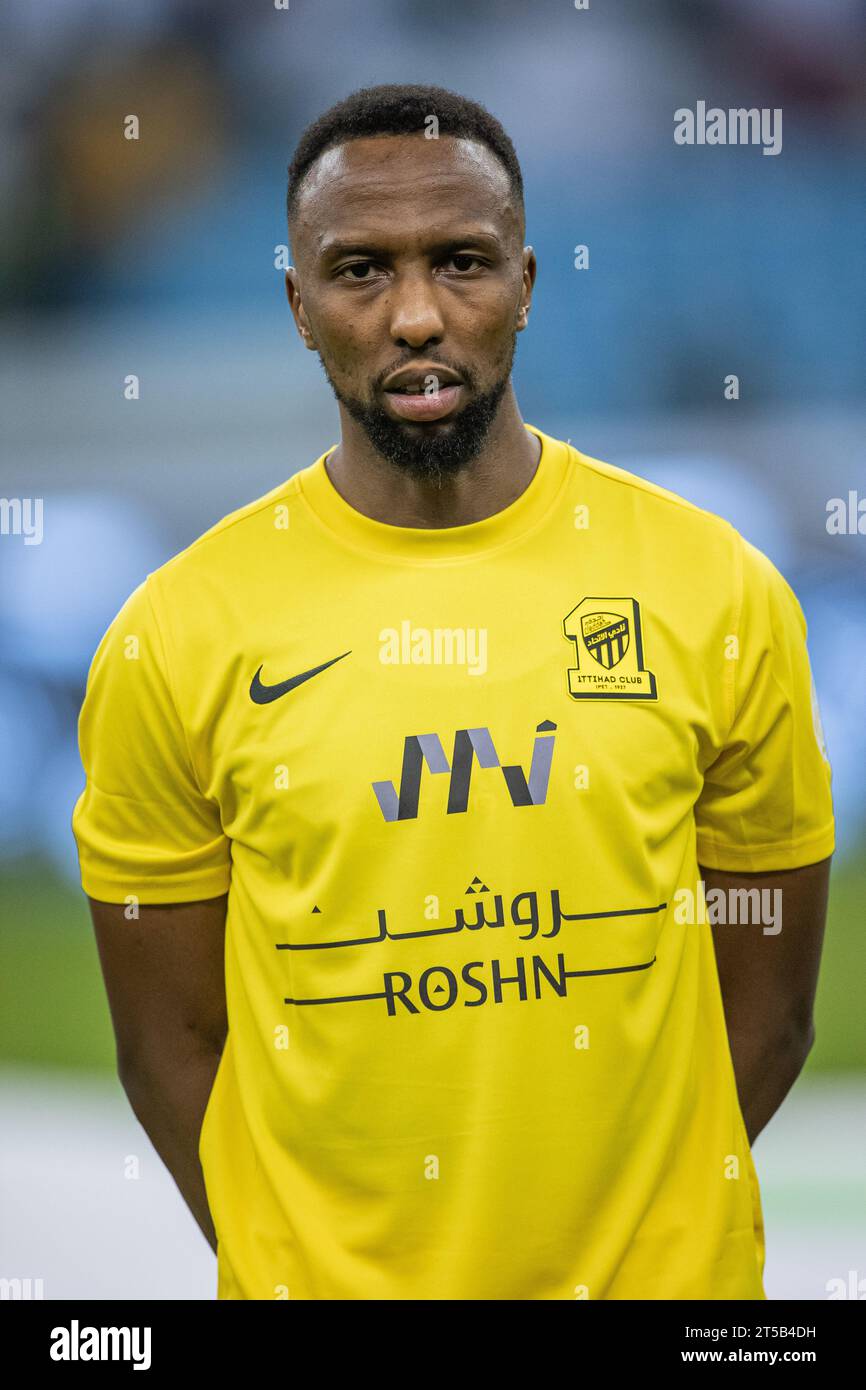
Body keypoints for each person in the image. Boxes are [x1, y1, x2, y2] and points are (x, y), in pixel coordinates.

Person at [71, 83, 834, 1300]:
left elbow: (772, 1011)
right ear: (296, 306)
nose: (416, 314)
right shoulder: (177, 633)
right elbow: (171, 1047)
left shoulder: (713, 590)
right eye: (360, 271)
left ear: (526, 283)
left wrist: (639, 1242)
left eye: (461, 262)